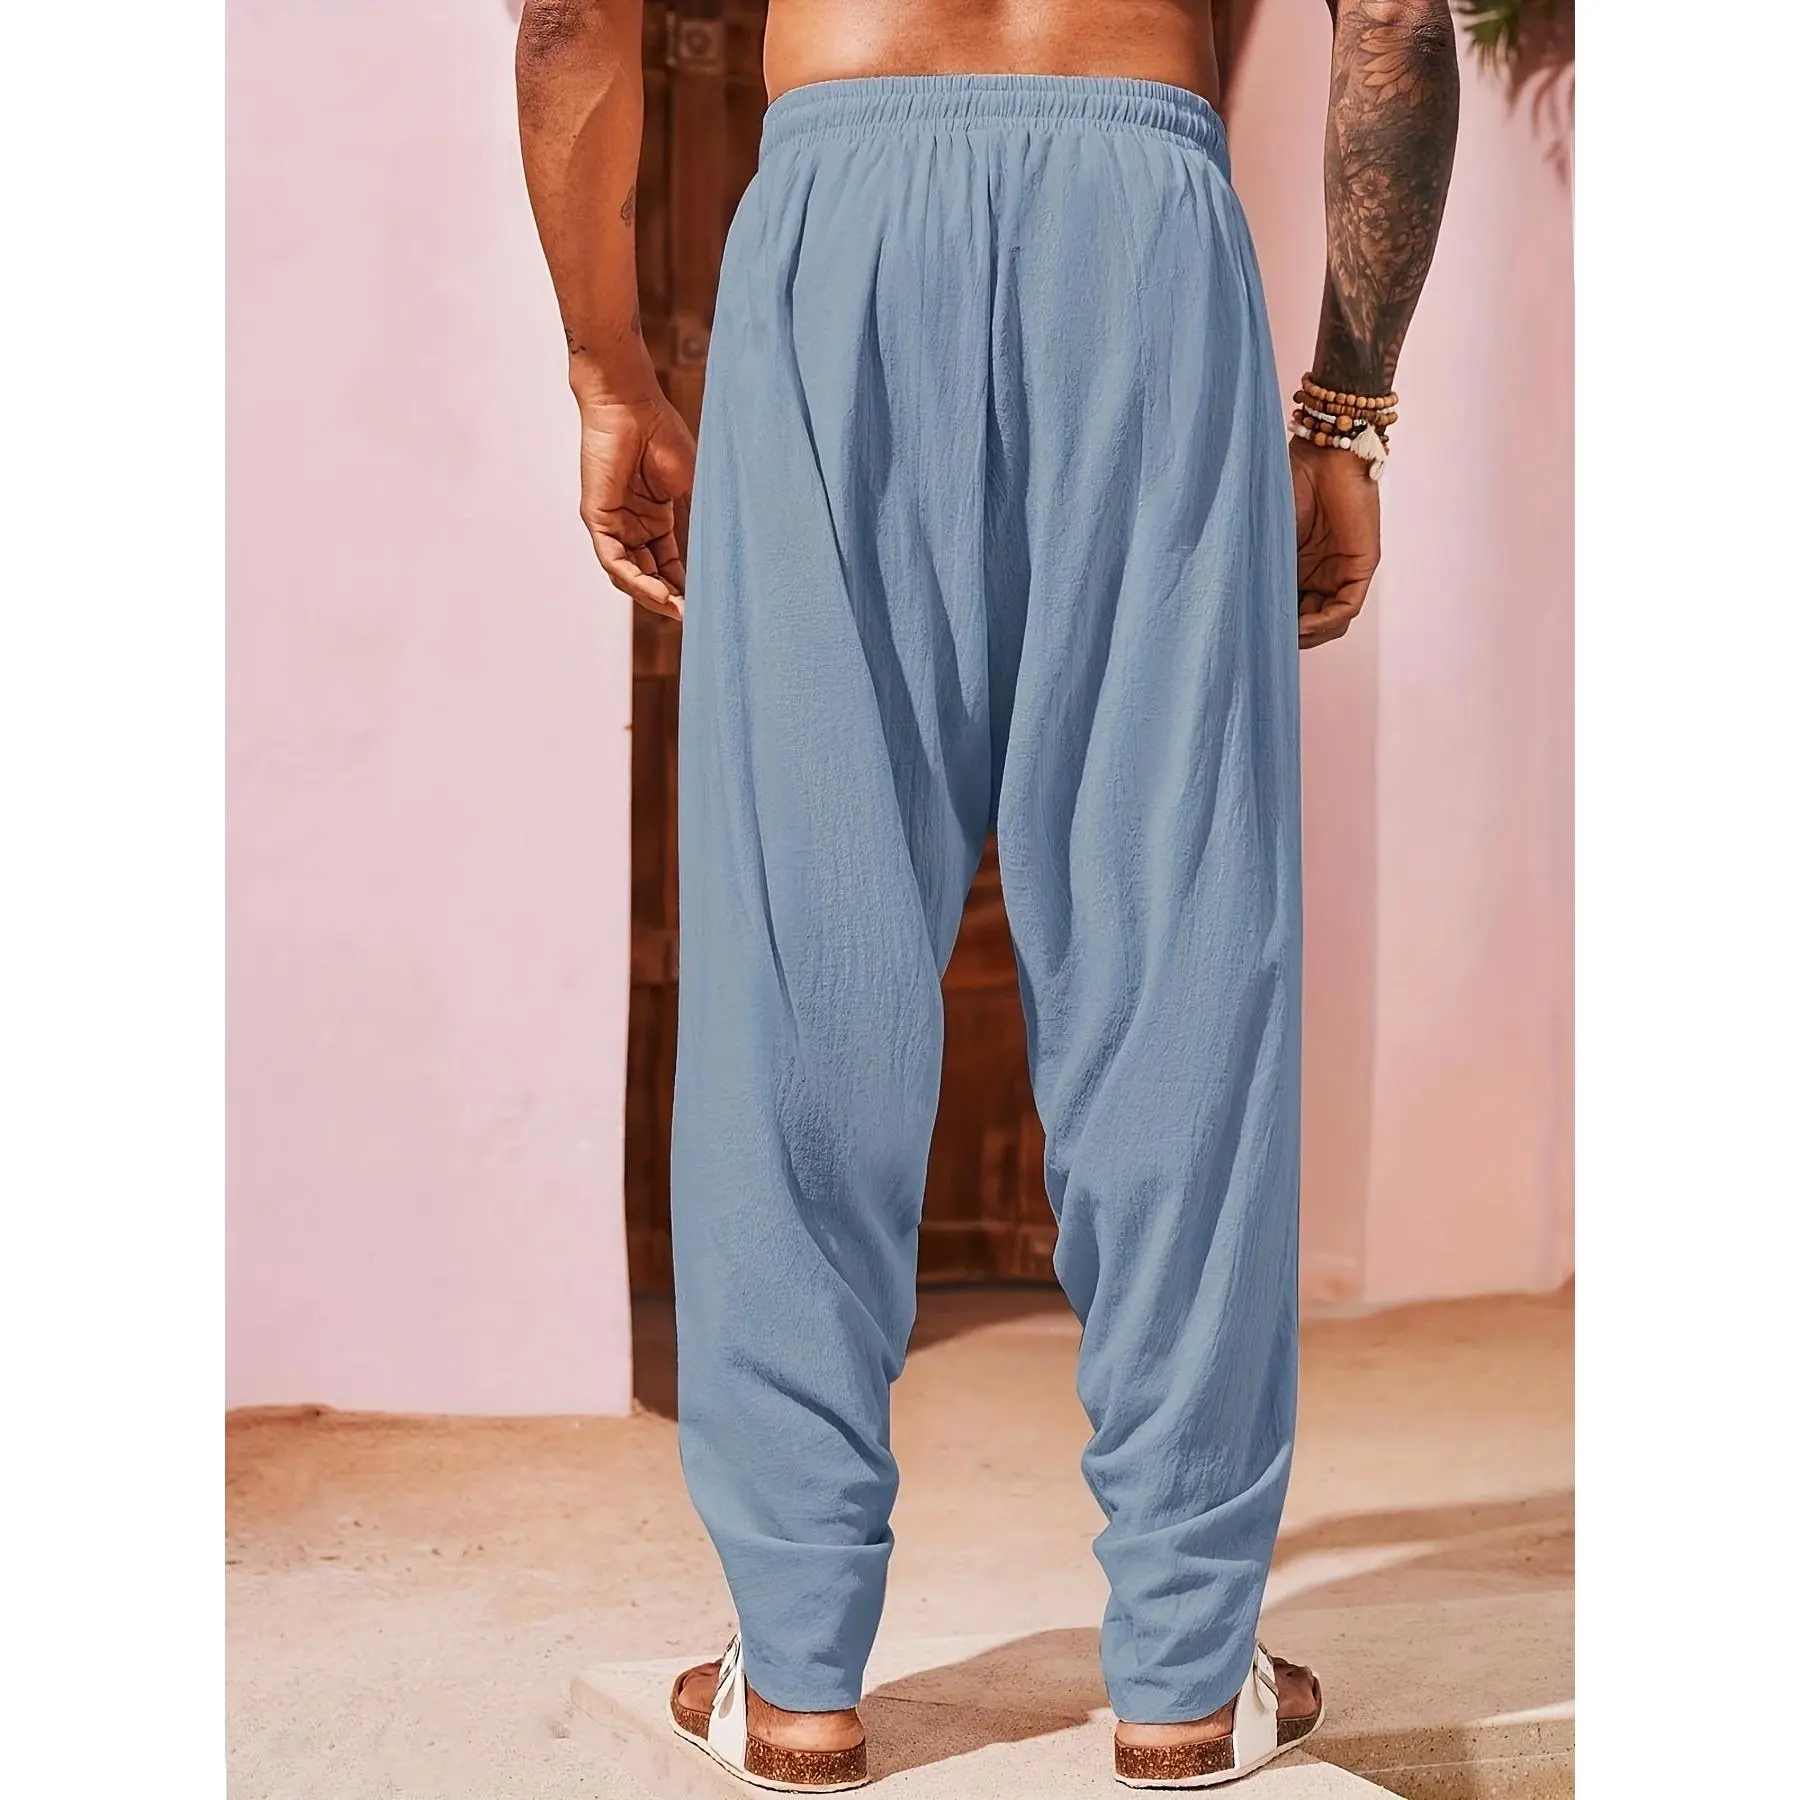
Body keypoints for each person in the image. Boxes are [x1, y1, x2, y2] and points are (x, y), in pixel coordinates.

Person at [517, 1, 1458, 1788]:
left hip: (840, 226)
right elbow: (1400, 18)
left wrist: (605, 370)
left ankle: (798, 1675)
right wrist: (1346, 403)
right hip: (1142, 226)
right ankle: (1185, 1677)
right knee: (1180, 954)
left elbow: (573, 18)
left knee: (802, 959)